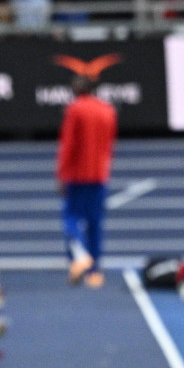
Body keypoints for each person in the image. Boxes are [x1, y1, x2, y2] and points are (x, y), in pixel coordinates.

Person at [56, 72, 116, 288]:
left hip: (77, 175)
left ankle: (79, 257)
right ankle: (95, 272)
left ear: (77, 90)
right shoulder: (107, 110)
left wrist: (61, 174)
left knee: (71, 218)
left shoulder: (75, 109)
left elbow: (68, 144)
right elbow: (110, 143)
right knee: (95, 223)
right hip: (99, 174)